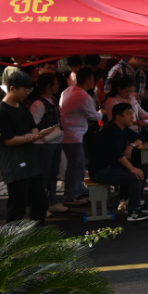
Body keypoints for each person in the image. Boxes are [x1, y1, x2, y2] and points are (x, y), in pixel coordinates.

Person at [0, 71, 56, 224]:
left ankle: (36, 233)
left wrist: (35, 135)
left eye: (29, 90)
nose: (27, 93)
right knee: (17, 206)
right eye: (25, 90)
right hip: (14, 163)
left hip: (30, 160)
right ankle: (12, 236)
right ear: (12, 88)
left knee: (41, 201)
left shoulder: (22, 106)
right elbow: (9, 140)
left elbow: (33, 127)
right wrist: (34, 136)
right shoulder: (0, 111)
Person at [87, 102, 148, 222]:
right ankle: (134, 212)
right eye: (129, 114)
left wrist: (131, 146)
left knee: (143, 171)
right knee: (135, 175)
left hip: (112, 167)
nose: (132, 117)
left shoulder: (123, 129)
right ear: (118, 116)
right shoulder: (110, 131)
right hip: (101, 171)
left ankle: (132, 203)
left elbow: (141, 138)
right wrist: (132, 168)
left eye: (132, 114)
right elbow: (117, 155)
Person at [58, 66, 99, 206]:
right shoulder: (83, 96)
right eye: (93, 80)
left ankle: (78, 189)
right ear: (87, 80)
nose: (94, 82)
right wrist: (102, 113)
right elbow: (94, 115)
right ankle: (70, 196)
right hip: (73, 135)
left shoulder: (67, 91)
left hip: (69, 133)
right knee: (76, 166)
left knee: (77, 164)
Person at [28, 73, 67, 214]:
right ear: (49, 86)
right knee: (43, 175)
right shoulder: (38, 104)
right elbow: (32, 124)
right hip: (43, 144)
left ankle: (52, 201)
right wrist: (41, 134)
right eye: (56, 83)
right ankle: (40, 205)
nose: (58, 86)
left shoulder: (53, 100)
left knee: (53, 173)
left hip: (55, 141)